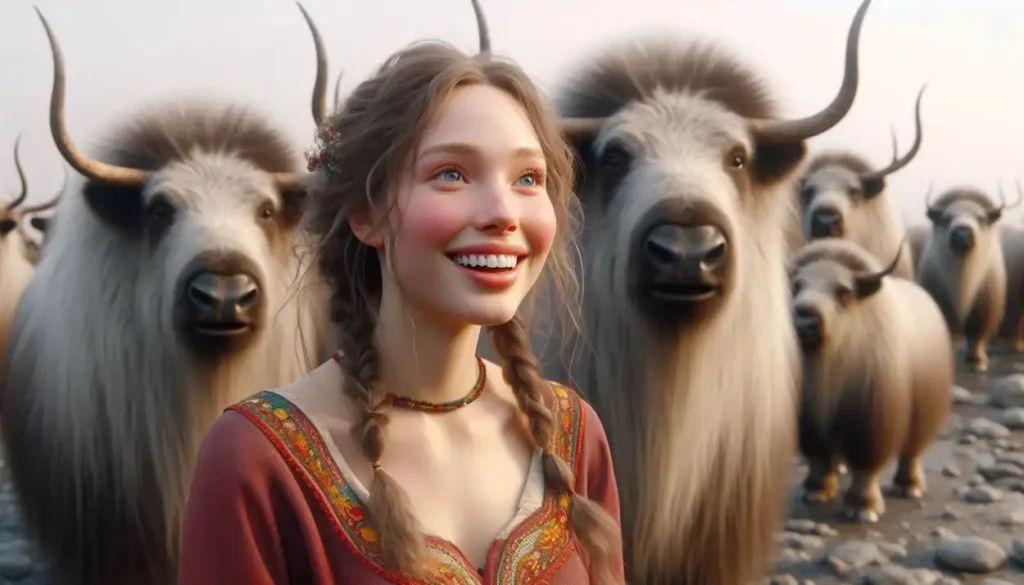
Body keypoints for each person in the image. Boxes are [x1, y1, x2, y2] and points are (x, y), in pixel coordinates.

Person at [176, 39, 625, 585]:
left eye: (528, 179)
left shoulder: (574, 437)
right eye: (452, 174)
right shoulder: (256, 459)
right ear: (366, 213)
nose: (503, 213)